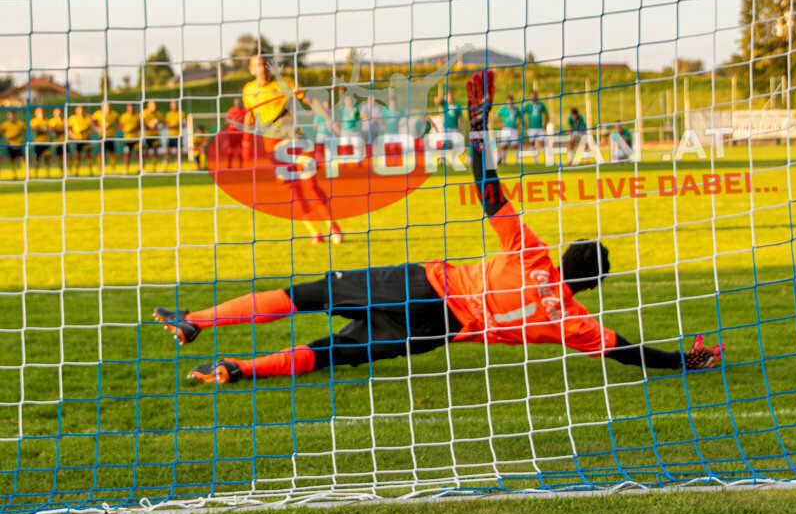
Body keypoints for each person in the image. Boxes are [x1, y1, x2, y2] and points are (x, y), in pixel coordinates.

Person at [153, 70, 723, 384]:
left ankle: (197, 321)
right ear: (590, 289)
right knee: (330, 354)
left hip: (423, 285)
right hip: (434, 335)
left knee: (307, 295)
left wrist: (478, 128)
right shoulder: (572, 322)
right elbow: (629, 352)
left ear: (566, 256)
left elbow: (488, 192)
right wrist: (686, 361)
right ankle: (237, 369)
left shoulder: (533, 257)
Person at [242, 54, 341, 245]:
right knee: (294, 191)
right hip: (273, 148)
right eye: (257, 66)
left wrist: (328, 119)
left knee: (311, 185)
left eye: (264, 65)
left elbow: (309, 100)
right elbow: (250, 116)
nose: (262, 69)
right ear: (251, 69)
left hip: (297, 141)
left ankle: (332, 226)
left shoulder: (284, 82)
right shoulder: (248, 90)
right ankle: (315, 233)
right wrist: (246, 141)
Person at [91, 101, 119, 173]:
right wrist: (96, 128)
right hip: (102, 137)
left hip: (111, 136)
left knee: (112, 153)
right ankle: (100, 170)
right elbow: (91, 121)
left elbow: (119, 122)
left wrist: (116, 129)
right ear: (102, 106)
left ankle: (113, 169)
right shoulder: (98, 114)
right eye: (106, 106)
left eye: (109, 105)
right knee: (101, 153)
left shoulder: (114, 114)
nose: (108, 107)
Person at [493, 94, 521, 165]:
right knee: (504, 145)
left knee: (515, 145)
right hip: (506, 129)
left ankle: (516, 160)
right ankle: (504, 161)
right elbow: (496, 116)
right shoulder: (503, 108)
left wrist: (518, 124)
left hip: (514, 129)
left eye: (511, 101)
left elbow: (521, 118)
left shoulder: (516, 109)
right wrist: (500, 124)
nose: (510, 103)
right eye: (509, 101)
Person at [67, 105, 93, 175]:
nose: (81, 112)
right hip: (78, 139)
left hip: (87, 139)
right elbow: (67, 128)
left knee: (88, 155)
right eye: (79, 110)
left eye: (82, 110)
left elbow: (93, 126)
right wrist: (72, 135)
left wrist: (91, 133)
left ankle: (90, 170)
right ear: (76, 111)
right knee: (77, 155)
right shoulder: (73, 118)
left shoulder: (88, 117)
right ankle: (76, 171)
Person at [521, 90, 548, 155]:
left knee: (543, 141)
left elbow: (546, 115)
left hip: (540, 127)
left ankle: (549, 159)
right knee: (532, 143)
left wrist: (545, 124)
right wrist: (524, 124)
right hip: (531, 128)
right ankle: (535, 160)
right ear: (530, 97)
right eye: (532, 95)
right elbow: (520, 114)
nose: (533, 97)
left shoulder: (541, 105)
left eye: (535, 95)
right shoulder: (527, 105)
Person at [1, 110, 27, 177]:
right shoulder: (5, 125)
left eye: (12, 115)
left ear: (15, 116)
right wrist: (4, 140)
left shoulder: (20, 123)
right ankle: (14, 174)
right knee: (12, 159)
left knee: (22, 158)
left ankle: (26, 174)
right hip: (10, 145)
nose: (11, 117)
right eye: (10, 115)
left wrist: (24, 140)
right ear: (8, 116)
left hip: (19, 145)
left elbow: (26, 131)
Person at [29, 106, 53, 176]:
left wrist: (41, 129)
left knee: (47, 158)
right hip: (38, 143)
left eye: (43, 112)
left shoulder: (47, 121)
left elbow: (50, 130)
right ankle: (36, 174)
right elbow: (35, 130)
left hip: (46, 143)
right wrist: (43, 129)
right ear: (36, 113)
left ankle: (48, 174)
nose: (42, 113)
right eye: (40, 112)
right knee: (37, 159)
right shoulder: (33, 121)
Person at [120, 103, 142, 173]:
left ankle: (141, 168)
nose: (131, 108)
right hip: (127, 139)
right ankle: (126, 169)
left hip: (136, 139)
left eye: (133, 107)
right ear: (127, 108)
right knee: (127, 154)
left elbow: (140, 125)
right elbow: (121, 125)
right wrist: (125, 130)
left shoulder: (138, 116)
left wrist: (135, 129)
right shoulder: (124, 116)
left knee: (139, 154)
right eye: (130, 107)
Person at [142, 100, 164, 171]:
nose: (154, 107)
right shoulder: (144, 113)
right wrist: (148, 125)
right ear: (148, 106)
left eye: (154, 105)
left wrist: (158, 126)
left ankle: (154, 167)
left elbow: (163, 124)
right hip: (147, 135)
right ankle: (143, 168)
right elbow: (140, 123)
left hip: (156, 135)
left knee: (155, 151)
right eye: (152, 105)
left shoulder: (159, 114)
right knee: (145, 152)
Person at [163, 100, 181, 171]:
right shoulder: (168, 114)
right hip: (170, 135)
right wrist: (175, 126)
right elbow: (166, 125)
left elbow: (183, 124)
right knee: (168, 152)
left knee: (178, 152)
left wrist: (173, 126)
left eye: (175, 104)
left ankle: (177, 167)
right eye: (172, 105)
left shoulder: (181, 113)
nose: (174, 106)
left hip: (178, 135)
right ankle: (164, 167)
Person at [48, 107, 66, 175]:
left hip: (65, 142)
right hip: (58, 142)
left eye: (60, 113)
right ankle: (62, 171)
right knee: (59, 157)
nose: (59, 114)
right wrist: (61, 130)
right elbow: (51, 129)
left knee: (68, 156)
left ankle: (69, 170)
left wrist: (58, 130)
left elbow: (67, 129)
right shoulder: (52, 121)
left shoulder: (65, 120)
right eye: (57, 113)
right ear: (54, 114)